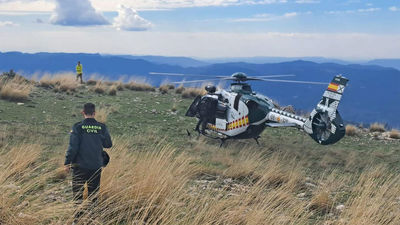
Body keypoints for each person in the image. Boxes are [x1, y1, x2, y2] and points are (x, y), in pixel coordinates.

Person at [64, 103, 112, 222]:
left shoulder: (77, 127)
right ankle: (92, 220)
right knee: (93, 195)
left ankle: (77, 220)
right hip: (96, 166)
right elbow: (108, 144)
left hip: (79, 167)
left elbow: (73, 147)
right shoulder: (102, 127)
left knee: (77, 194)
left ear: (83, 113)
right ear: (94, 113)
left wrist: (67, 162)